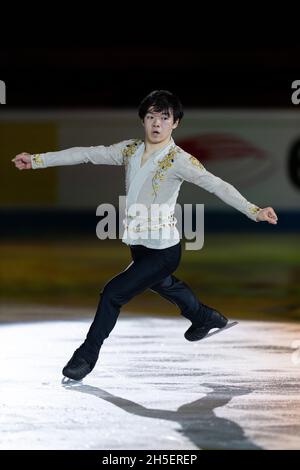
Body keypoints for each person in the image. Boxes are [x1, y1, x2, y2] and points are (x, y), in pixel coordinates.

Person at [12, 90, 278, 381]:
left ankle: (86, 356)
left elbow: (217, 185)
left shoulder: (180, 160)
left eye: (164, 117)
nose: (157, 123)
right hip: (139, 247)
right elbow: (86, 153)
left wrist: (254, 210)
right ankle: (203, 317)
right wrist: (37, 160)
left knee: (113, 294)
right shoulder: (129, 150)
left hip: (165, 250)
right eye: (151, 116)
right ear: (143, 120)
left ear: (175, 123)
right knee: (165, 285)